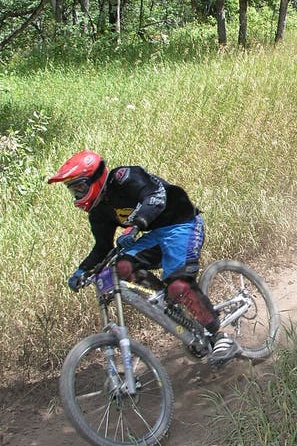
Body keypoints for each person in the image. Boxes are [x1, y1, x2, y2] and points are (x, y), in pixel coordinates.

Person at [47, 150, 236, 362]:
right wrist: (81, 271)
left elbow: (155, 196)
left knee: (179, 286)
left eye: (80, 187)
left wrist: (136, 225)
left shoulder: (124, 177)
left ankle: (219, 336)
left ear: (94, 178)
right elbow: (102, 248)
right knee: (123, 266)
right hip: (155, 235)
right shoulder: (99, 212)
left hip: (183, 224)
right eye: (73, 191)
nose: (78, 195)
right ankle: (167, 299)